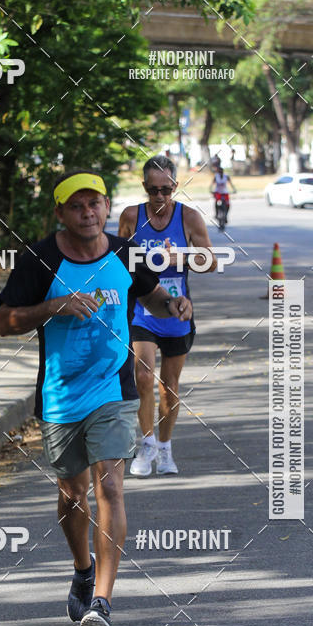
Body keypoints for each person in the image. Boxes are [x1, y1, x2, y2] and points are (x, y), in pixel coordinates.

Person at [0, 170, 192, 626]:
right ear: (61, 213)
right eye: (77, 206)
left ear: (106, 208)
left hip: (115, 392)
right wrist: (52, 307)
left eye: (96, 204)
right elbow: (5, 322)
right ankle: (83, 569)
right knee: (71, 495)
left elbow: (153, 294)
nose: (88, 213)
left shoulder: (123, 253)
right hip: (61, 394)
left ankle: (102, 600)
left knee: (111, 488)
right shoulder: (39, 260)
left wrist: (174, 307)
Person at [119, 154, 216, 477]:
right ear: (144, 187)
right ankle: (145, 446)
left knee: (169, 386)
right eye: (153, 190)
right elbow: (118, 260)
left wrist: (184, 256)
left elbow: (212, 262)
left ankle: (165, 447)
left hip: (177, 311)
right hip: (142, 311)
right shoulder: (131, 216)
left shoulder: (189, 218)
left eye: (166, 190)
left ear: (175, 186)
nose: (160, 197)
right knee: (143, 377)